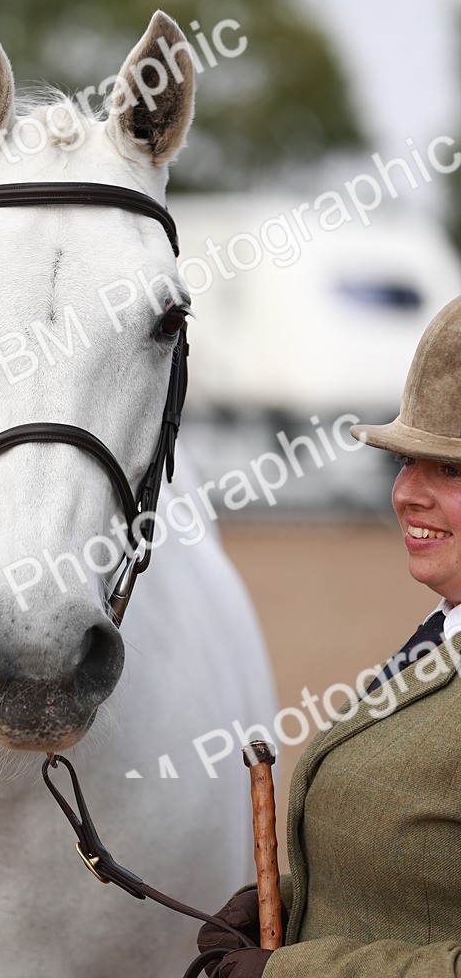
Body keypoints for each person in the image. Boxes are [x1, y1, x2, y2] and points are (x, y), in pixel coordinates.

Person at [198, 296, 461, 976]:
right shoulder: (444, 630)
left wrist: (287, 973)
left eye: (451, 470)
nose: (406, 493)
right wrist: (285, 903)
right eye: (406, 460)